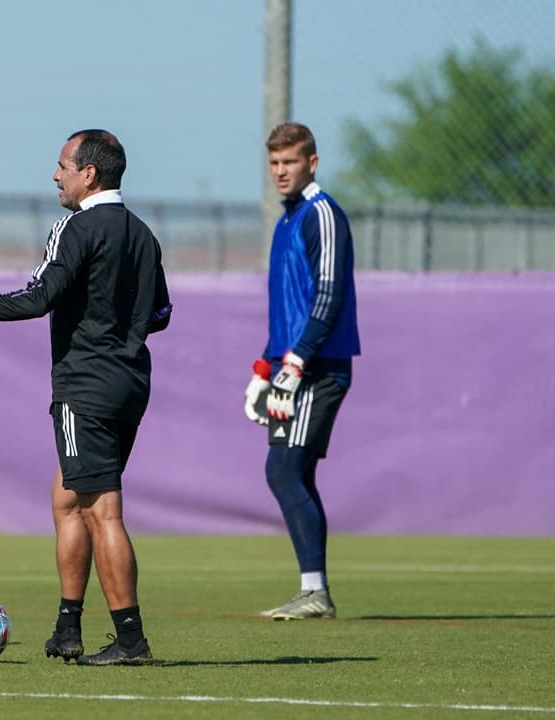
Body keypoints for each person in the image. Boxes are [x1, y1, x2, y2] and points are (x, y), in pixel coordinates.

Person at [0, 129, 171, 666]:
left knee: (101, 510)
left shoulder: (75, 227)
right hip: (130, 383)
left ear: (89, 174)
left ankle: (131, 641)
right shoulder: (144, 235)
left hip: (86, 385)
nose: (54, 175)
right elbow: (161, 315)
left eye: (61, 166)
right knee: (66, 498)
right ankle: (67, 628)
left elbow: (39, 297)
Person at [244, 122, 360, 620]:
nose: (280, 172)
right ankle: (314, 590)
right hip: (292, 367)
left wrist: (295, 362)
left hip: (319, 367)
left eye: (289, 162)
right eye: (273, 163)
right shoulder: (286, 221)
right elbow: (286, 308)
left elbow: (329, 296)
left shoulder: (322, 215)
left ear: (312, 162)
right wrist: (264, 368)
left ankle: (316, 592)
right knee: (294, 471)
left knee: (283, 467)